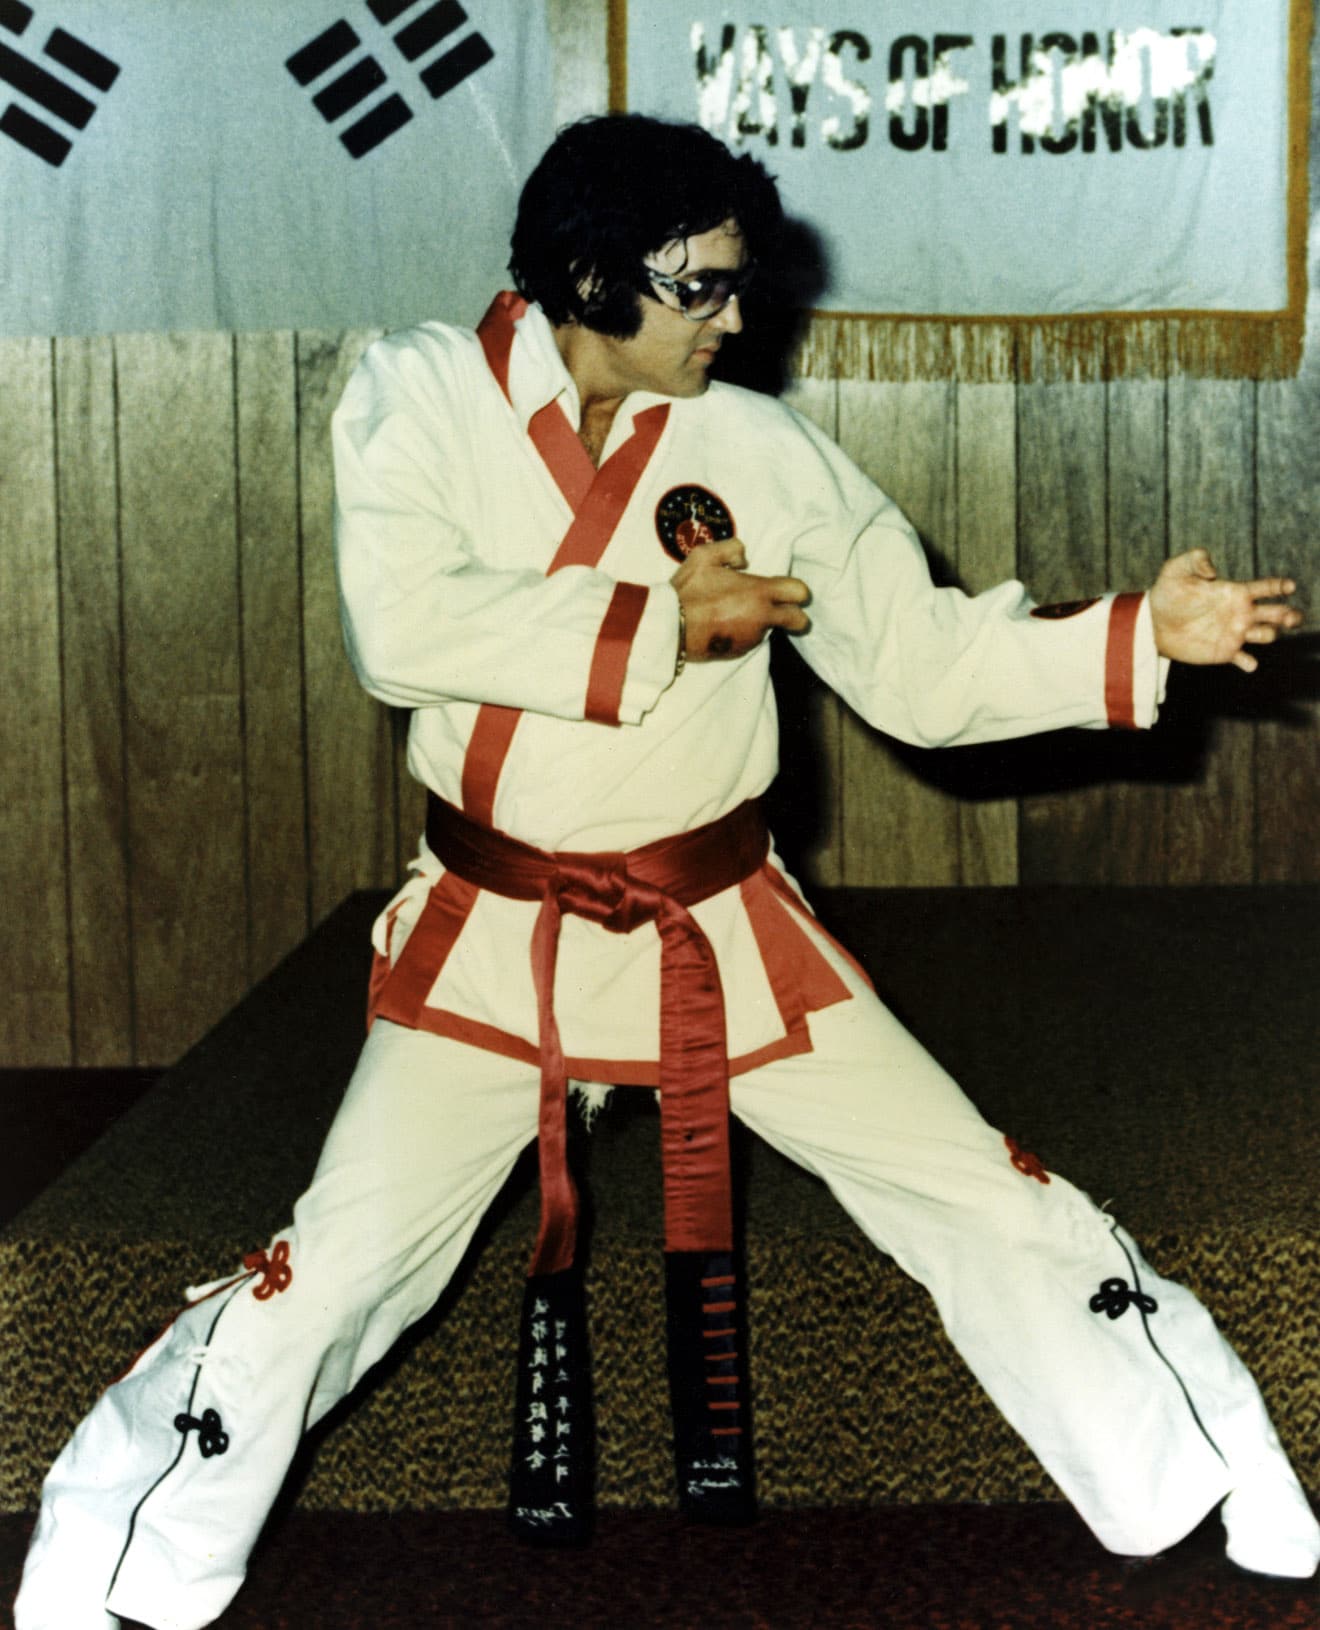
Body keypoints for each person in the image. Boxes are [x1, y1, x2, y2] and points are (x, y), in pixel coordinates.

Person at [16, 113, 1317, 1630]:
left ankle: (1209, 1462)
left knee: (971, 1185)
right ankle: (117, 1539)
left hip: (718, 920)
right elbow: (401, 624)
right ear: (586, 275)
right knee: (345, 1259)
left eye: (738, 286)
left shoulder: (753, 447)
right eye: (700, 287)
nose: (737, 320)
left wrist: (1126, 643)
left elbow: (916, 662)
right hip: (503, 931)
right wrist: (657, 623)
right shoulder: (417, 394)